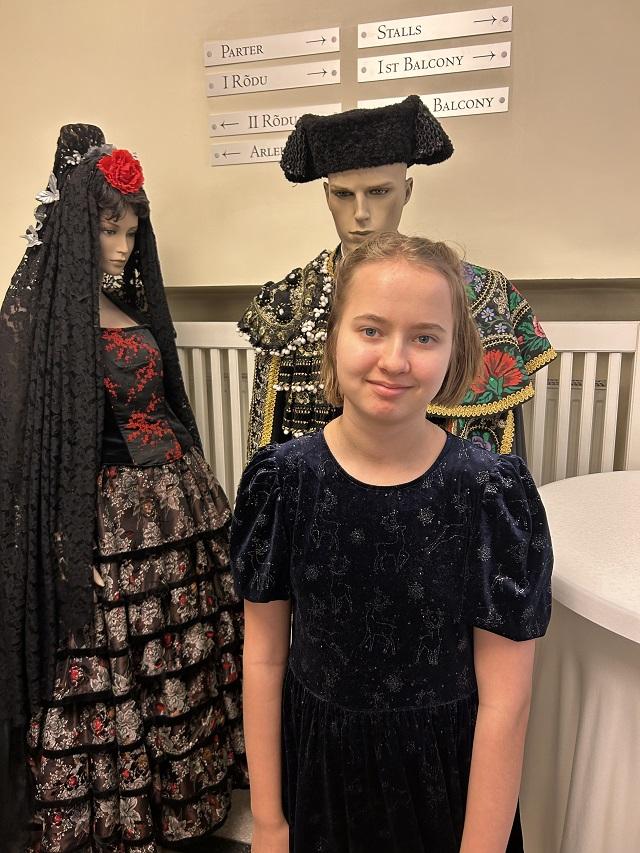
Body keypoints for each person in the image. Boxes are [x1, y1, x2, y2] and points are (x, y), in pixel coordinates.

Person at [231, 232, 553, 853]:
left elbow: (506, 702)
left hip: (446, 788)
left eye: (425, 337)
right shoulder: (283, 482)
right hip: (320, 778)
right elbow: (265, 657)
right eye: (371, 330)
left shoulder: (489, 492)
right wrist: (268, 821)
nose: (395, 360)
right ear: (334, 337)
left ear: (456, 351)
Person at [0, 125, 247, 852]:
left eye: (132, 232)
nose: (122, 247)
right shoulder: (42, 325)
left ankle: (187, 799)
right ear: (75, 229)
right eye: (110, 230)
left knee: (183, 650)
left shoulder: (127, 309)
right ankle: (122, 813)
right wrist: (61, 537)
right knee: (118, 665)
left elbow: (163, 405)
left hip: (175, 504)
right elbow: (30, 444)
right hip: (107, 516)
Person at [239, 96, 556, 460]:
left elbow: (502, 452)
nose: (361, 213)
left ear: (406, 191)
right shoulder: (285, 305)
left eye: (379, 192)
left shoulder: (484, 294)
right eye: (343, 194)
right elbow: (266, 442)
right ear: (327, 196)